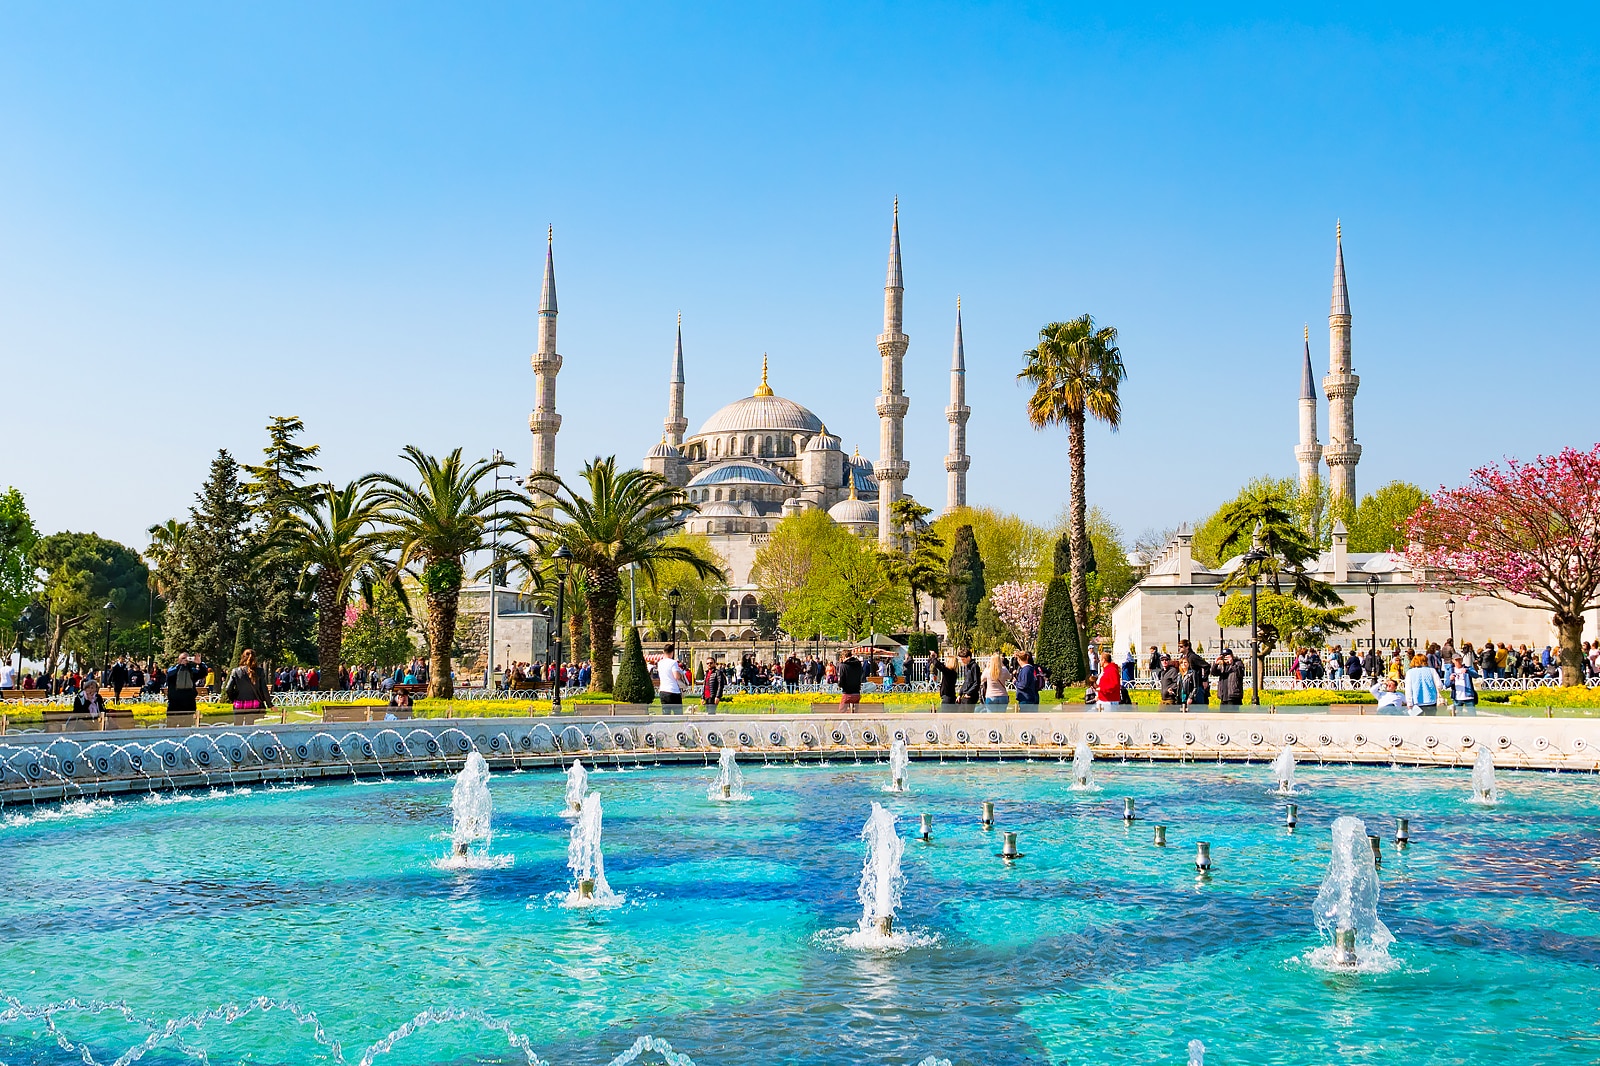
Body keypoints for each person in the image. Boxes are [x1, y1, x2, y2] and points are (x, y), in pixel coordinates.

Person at [165, 653, 208, 719]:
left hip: (189, 703)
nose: (185, 660)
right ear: (178, 660)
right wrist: (180, 665)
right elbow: (169, 674)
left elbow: (203, 673)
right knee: (171, 726)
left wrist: (200, 664)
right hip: (174, 704)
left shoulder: (192, 671)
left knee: (187, 726)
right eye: (183, 658)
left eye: (187, 658)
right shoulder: (173, 669)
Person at [656, 643, 687, 710]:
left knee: (666, 714)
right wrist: (680, 673)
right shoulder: (673, 663)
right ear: (672, 652)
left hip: (663, 690)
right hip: (673, 690)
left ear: (663, 652)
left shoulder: (660, 663)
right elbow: (676, 676)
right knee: (678, 714)